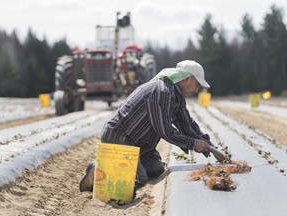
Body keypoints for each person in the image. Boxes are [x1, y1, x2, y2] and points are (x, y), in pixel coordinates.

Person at [79, 60, 213, 192]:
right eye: (196, 85)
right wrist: (193, 143)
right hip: (119, 138)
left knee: (156, 168)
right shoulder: (162, 92)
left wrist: (209, 145)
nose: (196, 90)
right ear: (185, 79)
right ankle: (99, 169)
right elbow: (165, 130)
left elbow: (187, 124)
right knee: (140, 178)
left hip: (139, 144)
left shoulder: (177, 98)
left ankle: (115, 164)